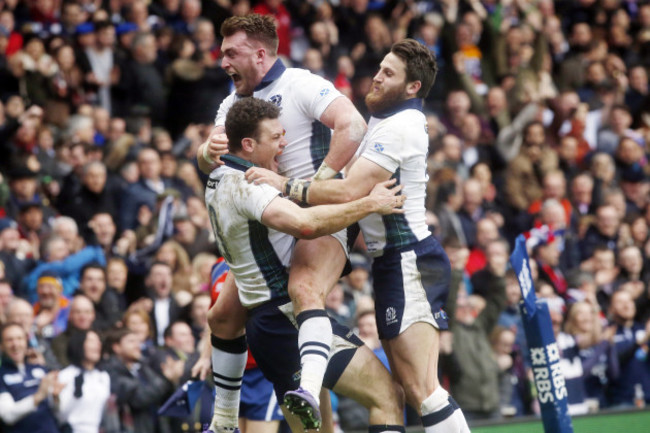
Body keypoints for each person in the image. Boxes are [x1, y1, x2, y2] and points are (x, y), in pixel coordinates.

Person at [247, 39, 470, 432]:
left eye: (389, 73)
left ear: (413, 87)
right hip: (392, 262)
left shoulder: (401, 126)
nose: (377, 77)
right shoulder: (388, 121)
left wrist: (284, 185)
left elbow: (351, 192)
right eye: (379, 68)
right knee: (403, 389)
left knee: (423, 389)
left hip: (408, 258)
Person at [195, 13, 367, 431]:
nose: (223, 63)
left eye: (230, 54)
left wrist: (313, 185)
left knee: (303, 289)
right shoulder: (233, 103)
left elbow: (354, 124)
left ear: (259, 53)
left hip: (315, 216)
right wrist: (205, 150)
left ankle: (307, 387)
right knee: (220, 317)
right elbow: (209, 160)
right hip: (271, 222)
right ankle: (223, 423)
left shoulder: (300, 84)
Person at [204, 96, 404, 433]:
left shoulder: (217, 179)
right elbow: (305, 224)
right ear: (248, 145)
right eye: (275, 139)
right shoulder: (249, 186)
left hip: (262, 327)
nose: (284, 144)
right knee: (387, 396)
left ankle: (222, 422)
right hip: (286, 318)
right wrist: (369, 202)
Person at [0, 322, 63, 433]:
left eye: (19, 338)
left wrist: (56, 398)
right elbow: (8, 416)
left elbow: (58, 413)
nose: (15, 344)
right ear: (2, 346)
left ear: (26, 341)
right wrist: (38, 396)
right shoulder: (2, 374)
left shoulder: (39, 368)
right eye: (9, 340)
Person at [56, 330, 111, 433]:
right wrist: (76, 392)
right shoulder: (66, 375)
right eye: (91, 341)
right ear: (79, 344)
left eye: (98, 341)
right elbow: (60, 415)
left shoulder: (103, 376)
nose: (97, 344)